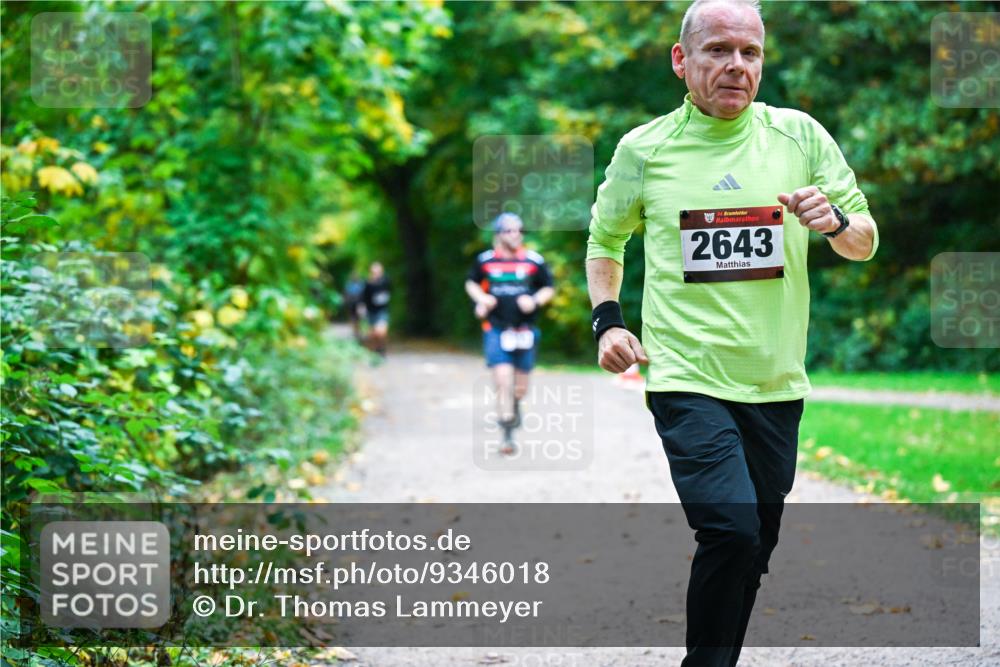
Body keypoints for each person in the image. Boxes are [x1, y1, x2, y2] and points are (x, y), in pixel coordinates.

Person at [585, 1, 879, 665]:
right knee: (731, 530)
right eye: (718, 50)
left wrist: (834, 222)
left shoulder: (799, 138)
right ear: (681, 60)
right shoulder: (645, 149)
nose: (736, 66)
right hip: (686, 377)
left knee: (753, 547)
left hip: (775, 382)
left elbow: (864, 241)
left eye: (750, 53)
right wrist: (608, 321)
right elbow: (605, 239)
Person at [465, 213, 555, 455]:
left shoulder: (533, 261)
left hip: (525, 330)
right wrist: (482, 299)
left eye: (519, 230)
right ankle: (507, 436)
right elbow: (471, 283)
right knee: (503, 380)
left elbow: (548, 287)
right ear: (498, 234)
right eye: (509, 230)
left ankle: (515, 406)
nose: (516, 235)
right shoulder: (485, 261)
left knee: (520, 388)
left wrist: (534, 300)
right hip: (496, 329)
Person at [361, 261, 391, 357]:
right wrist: (362, 307)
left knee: (381, 332)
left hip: (382, 310)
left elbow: (389, 288)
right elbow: (363, 297)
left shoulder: (386, 280)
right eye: (374, 271)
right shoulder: (368, 283)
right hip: (371, 311)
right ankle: (376, 351)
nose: (376, 273)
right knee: (373, 334)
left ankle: (382, 349)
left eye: (378, 271)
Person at [343, 272, 365, 343]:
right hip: (351, 304)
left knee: (358, 318)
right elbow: (346, 294)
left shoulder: (361, 285)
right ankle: (355, 331)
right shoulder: (349, 285)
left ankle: (357, 330)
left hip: (358, 304)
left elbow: (364, 294)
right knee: (353, 317)